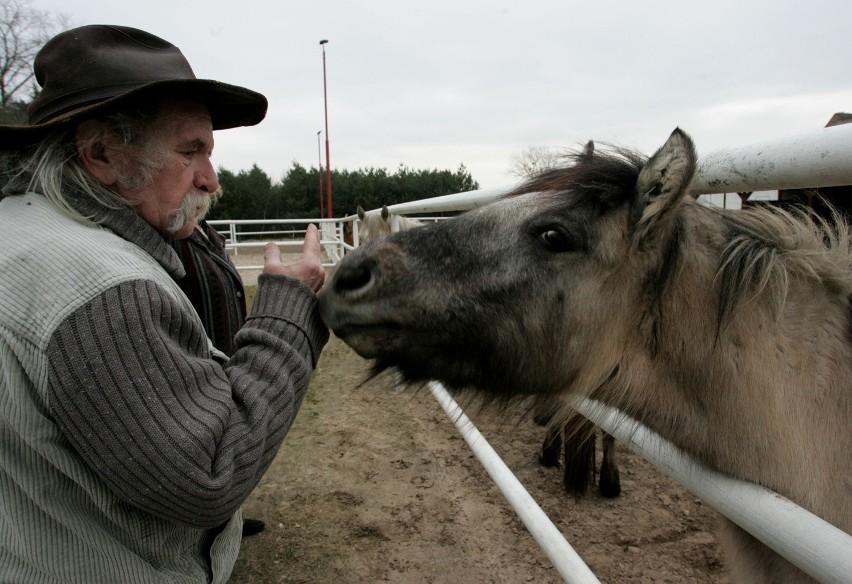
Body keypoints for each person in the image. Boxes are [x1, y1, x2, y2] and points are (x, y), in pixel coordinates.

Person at [0, 24, 328, 583]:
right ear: (102, 152)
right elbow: (211, 469)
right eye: (190, 150)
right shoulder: (102, 287)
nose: (212, 178)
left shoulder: (20, 225)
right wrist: (288, 312)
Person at [167, 209, 265, 537]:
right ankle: (212, 526)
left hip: (226, 352)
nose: (209, 181)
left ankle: (229, 520)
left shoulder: (206, 233)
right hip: (200, 357)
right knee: (210, 438)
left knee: (229, 431)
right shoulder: (170, 234)